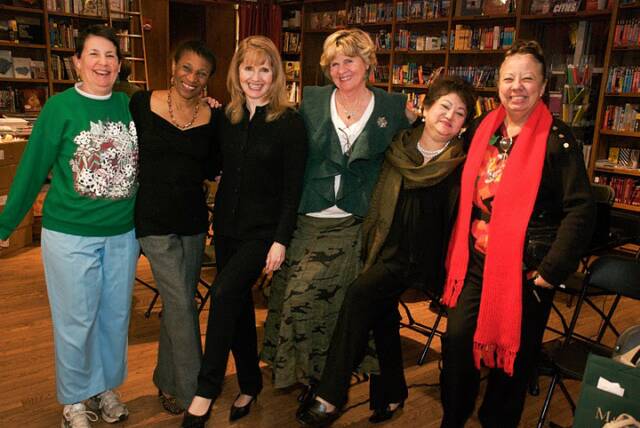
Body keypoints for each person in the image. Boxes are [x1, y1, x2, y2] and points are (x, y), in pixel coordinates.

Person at [296, 77, 476, 427]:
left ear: (464, 124)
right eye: (444, 106)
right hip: (389, 249)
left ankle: (331, 395)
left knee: (361, 293)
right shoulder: (397, 147)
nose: (449, 116)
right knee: (381, 311)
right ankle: (391, 392)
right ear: (426, 108)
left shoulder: (463, 164)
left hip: (432, 261)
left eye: (460, 113)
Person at [439, 40, 596, 428]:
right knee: (457, 342)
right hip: (476, 260)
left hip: (528, 268)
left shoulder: (559, 142)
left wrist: (552, 269)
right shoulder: (481, 128)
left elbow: (581, 209)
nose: (517, 86)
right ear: (499, 85)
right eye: (509, 78)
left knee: (514, 359)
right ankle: (453, 418)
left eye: (528, 78)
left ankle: (497, 421)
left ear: (543, 87)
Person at [261, 28, 416, 397]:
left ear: (367, 63)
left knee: (335, 303)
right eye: (334, 63)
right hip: (308, 216)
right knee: (297, 297)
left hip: (356, 221)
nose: (341, 69)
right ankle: (306, 374)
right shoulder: (311, 101)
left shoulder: (393, 108)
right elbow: (279, 136)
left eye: (349, 60)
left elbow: (419, 145)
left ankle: (325, 380)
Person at [0, 25, 138, 428]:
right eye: (94, 54)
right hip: (70, 234)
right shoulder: (59, 108)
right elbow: (31, 169)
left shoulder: (131, 105)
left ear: (119, 64)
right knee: (76, 319)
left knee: (113, 318)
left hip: (121, 234)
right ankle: (75, 399)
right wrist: (7, 223)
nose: (103, 63)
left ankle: (105, 388)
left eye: (111, 55)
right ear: (76, 61)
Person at [182, 35, 308, 428]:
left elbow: (293, 190)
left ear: (276, 75)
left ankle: (206, 388)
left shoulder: (290, 123)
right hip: (226, 230)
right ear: (238, 73)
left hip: (262, 234)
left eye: (264, 68)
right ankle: (250, 382)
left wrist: (281, 240)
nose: (256, 77)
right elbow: (210, 165)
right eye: (248, 68)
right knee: (235, 308)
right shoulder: (226, 118)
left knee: (221, 294)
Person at [130, 40, 218, 415]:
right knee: (182, 303)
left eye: (201, 73)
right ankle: (194, 392)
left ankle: (166, 382)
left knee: (179, 306)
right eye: (186, 68)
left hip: (193, 222)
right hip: (152, 221)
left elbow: (214, 169)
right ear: (172, 66)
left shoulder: (214, 118)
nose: (191, 78)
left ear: (209, 80)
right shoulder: (140, 104)